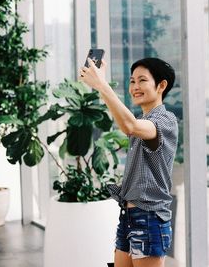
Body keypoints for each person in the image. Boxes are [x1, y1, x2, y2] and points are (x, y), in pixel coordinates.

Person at [79, 57, 178, 267]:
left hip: (150, 218)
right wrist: (100, 85)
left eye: (142, 80)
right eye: (132, 81)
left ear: (161, 85)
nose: (135, 87)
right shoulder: (142, 121)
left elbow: (129, 126)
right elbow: (129, 123)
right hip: (129, 216)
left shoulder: (165, 121)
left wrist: (101, 85)